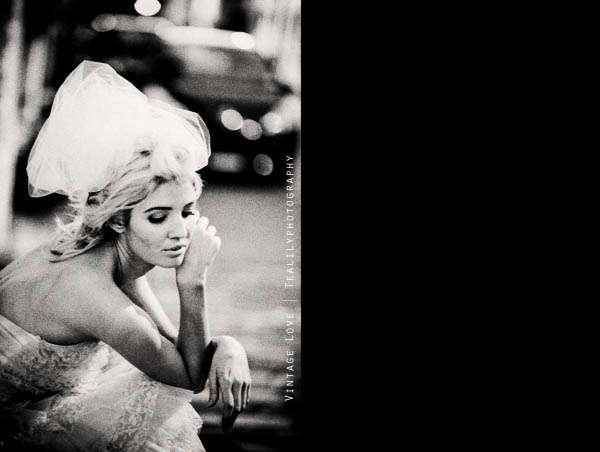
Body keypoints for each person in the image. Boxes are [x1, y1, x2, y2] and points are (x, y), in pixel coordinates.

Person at [0, 61, 251, 451]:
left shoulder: (102, 255)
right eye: (158, 217)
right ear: (118, 220)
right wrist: (192, 281)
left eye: (187, 211)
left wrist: (228, 346)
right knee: (151, 406)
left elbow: (177, 349)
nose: (180, 230)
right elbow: (185, 377)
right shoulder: (91, 292)